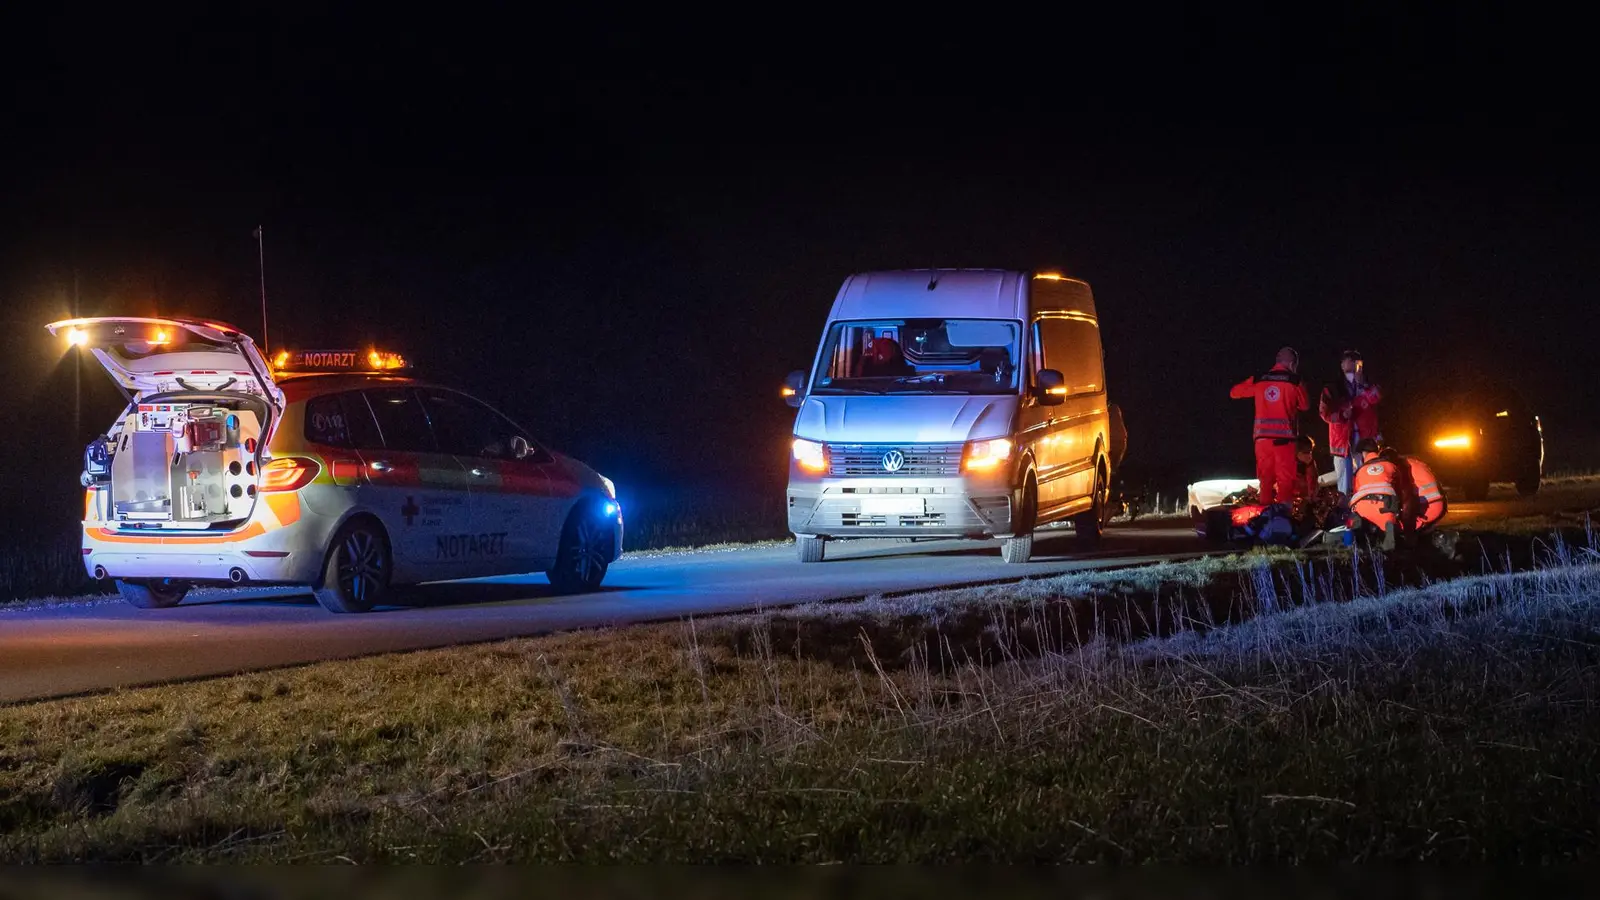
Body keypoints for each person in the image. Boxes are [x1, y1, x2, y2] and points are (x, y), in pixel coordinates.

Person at [1230, 346, 1310, 506]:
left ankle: (1266, 518)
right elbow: (1305, 405)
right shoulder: (1295, 380)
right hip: (1284, 440)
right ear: (1293, 363)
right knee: (1285, 481)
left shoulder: (1260, 378)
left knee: (1265, 480)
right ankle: (1283, 520)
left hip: (1262, 440)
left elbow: (1234, 392)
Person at [1319, 349, 1382, 495]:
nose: (1352, 362)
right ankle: (1345, 512)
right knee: (1344, 481)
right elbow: (1324, 413)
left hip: (1365, 439)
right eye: (1348, 359)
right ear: (1341, 365)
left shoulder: (1369, 384)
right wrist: (1342, 415)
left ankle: (1366, 509)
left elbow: (1376, 398)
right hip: (1342, 440)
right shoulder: (1332, 388)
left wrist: (1363, 384)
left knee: (1367, 476)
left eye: (1356, 360)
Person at [1348, 438, 1413, 550]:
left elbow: (1355, 491)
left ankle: (1359, 530)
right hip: (1385, 506)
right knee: (1388, 522)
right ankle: (1388, 525)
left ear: (1364, 453)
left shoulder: (1359, 471)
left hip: (1362, 508)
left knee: (1357, 520)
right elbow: (1401, 490)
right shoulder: (1391, 466)